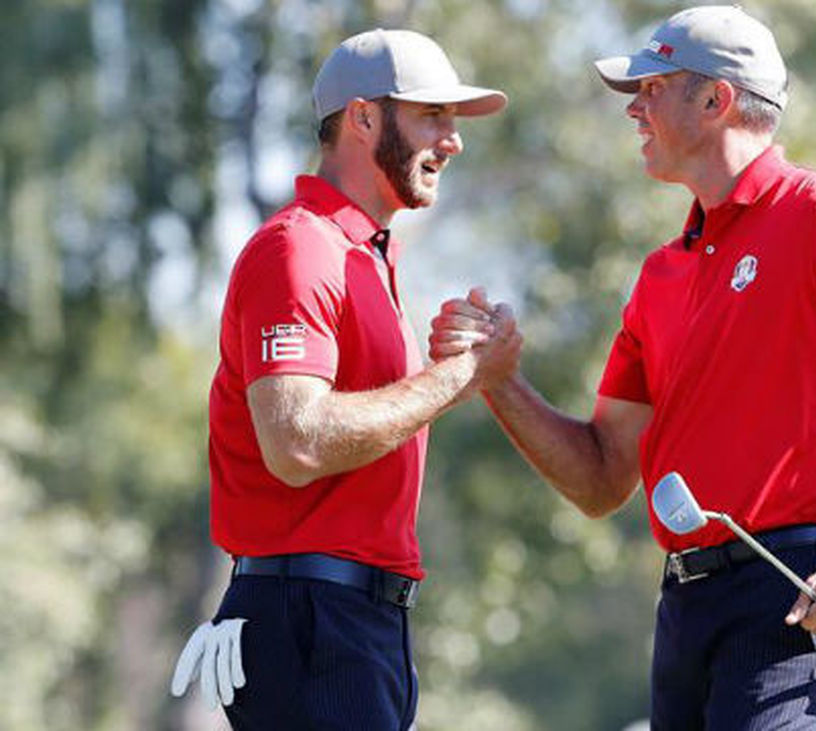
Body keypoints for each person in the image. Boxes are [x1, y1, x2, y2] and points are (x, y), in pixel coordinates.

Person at [433, 5, 816, 729]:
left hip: (797, 595)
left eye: (652, 89)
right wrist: (498, 380)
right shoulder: (661, 273)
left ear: (716, 100)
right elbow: (601, 478)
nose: (634, 109)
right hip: (686, 608)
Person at [169, 29, 519, 729]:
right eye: (431, 115)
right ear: (361, 118)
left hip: (351, 623)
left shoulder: (362, 255)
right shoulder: (299, 249)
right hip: (310, 621)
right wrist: (459, 377)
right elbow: (295, 442)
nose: (452, 140)